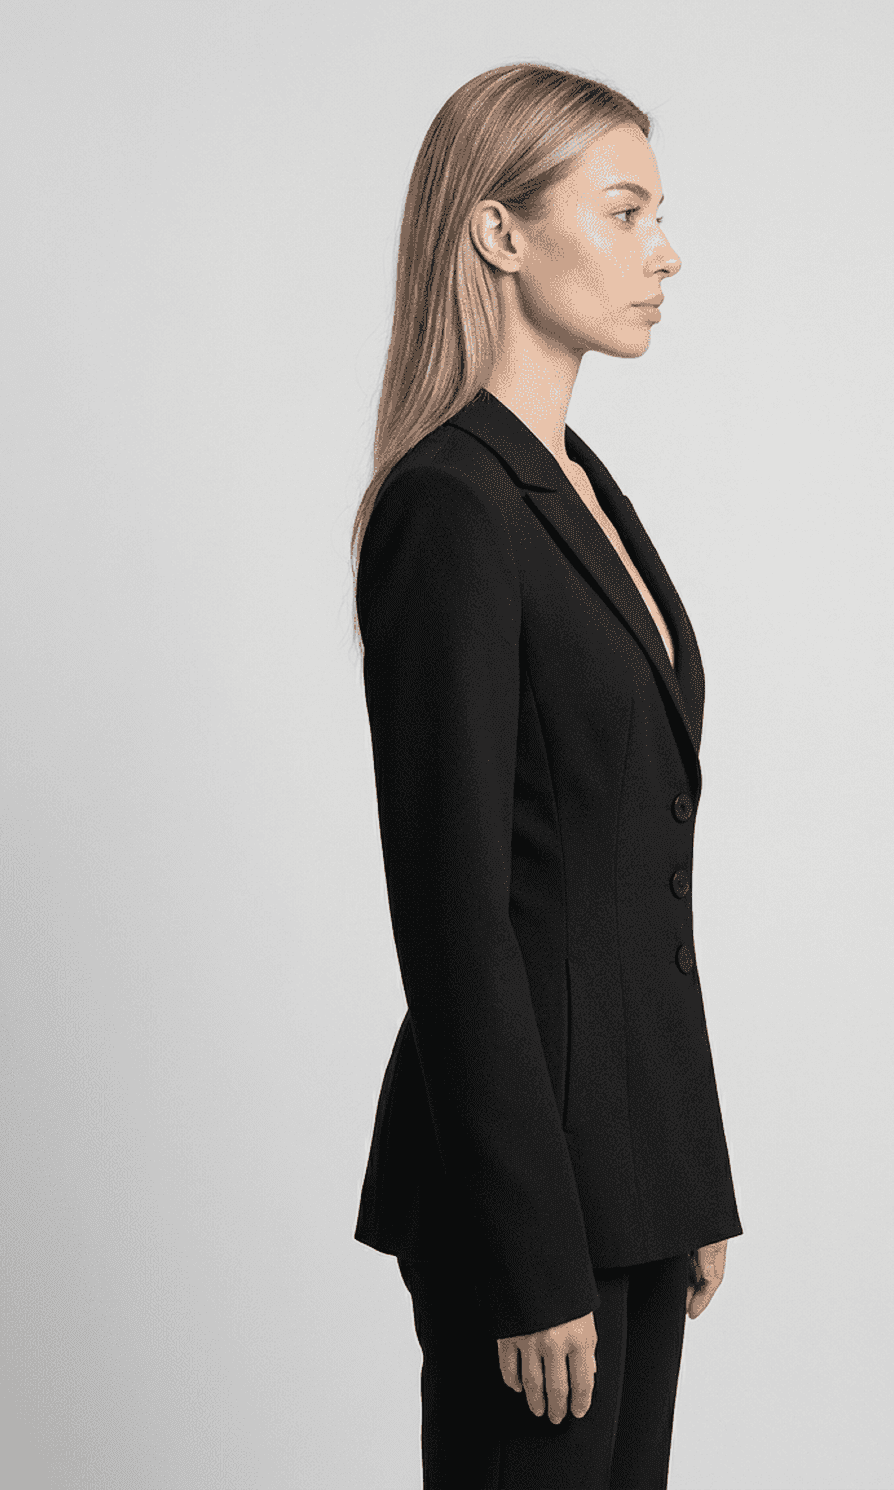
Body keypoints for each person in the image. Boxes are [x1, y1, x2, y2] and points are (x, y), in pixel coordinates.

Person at [350, 62, 742, 1489]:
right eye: (625, 211)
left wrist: (685, 1166)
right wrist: (529, 1250)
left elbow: (627, 871)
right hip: (525, 1200)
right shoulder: (452, 505)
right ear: (499, 232)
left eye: (659, 215)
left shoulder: (579, 484)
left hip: (635, 1167)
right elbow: (455, 913)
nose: (665, 252)